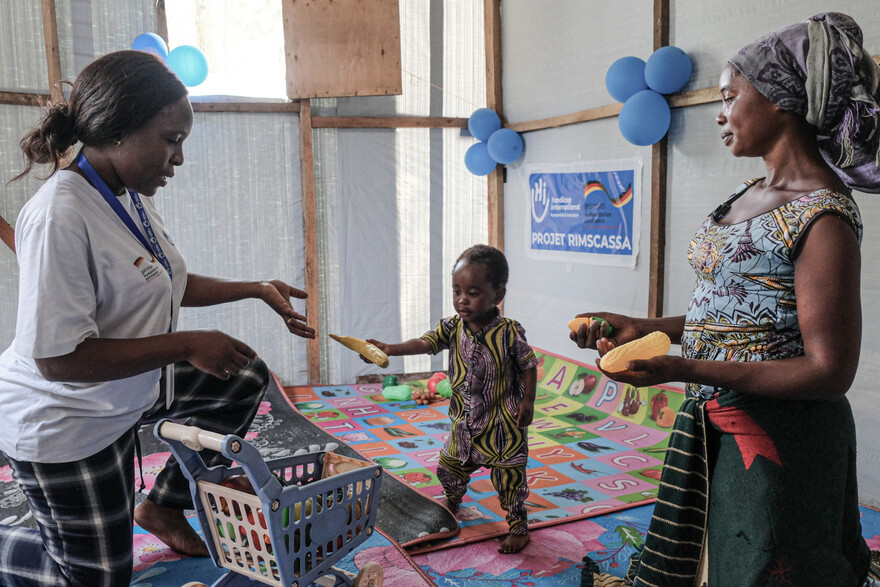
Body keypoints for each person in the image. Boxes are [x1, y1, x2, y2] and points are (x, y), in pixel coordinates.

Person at [572, 12, 879, 587]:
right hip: (715, 421)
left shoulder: (823, 216)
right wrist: (645, 325)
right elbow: (739, 310)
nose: (719, 113)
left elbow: (828, 370)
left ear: (781, 100)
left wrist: (681, 367)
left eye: (730, 96)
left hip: (778, 438)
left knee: (762, 560)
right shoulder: (750, 193)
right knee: (711, 563)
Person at [0, 49, 315, 585]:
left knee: (240, 377)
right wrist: (185, 345)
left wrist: (256, 290)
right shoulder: (61, 215)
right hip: (64, 418)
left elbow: (162, 280)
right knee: (95, 579)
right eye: (171, 141)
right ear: (118, 131)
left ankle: (162, 506)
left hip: (124, 392)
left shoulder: (124, 194)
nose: (179, 159)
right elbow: (56, 360)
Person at [366, 244, 538, 554]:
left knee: (510, 479)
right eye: (456, 290)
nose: (462, 299)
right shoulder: (452, 327)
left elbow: (529, 365)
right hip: (465, 424)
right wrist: (390, 348)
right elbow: (425, 342)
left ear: (497, 294)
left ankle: (518, 526)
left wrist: (528, 402)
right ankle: (453, 497)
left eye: (472, 292)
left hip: (503, 424)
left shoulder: (509, 333)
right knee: (449, 466)